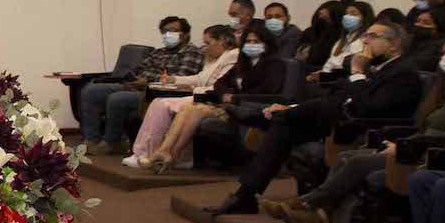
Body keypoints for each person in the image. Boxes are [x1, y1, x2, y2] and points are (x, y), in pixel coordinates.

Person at [262, 33, 445, 223]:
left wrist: (404, 147)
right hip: (416, 148)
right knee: (348, 156)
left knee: (356, 161)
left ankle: (305, 205)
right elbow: (425, 129)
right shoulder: (444, 91)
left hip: (434, 156)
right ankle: (315, 214)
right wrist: (401, 144)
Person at [210, 19, 424, 215]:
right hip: (338, 117)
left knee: (283, 121)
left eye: (372, 36)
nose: (365, 41)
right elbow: (336, 97)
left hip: (363, 128)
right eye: (365, 36)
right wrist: (292, 107)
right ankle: (245, 195)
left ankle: (263, 120)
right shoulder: (375, 66)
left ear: (394, 44)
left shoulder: (404, 73)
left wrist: (358, 73)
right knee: (285, 122)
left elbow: (369, 108)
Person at [142, 25, 290, 172]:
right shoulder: (242, 63)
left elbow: (269, 90)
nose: (251, 45)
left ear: (266, 43)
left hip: (249, 109)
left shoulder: (274, 64)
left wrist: (235, 97)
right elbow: (220, 83)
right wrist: (225, 95)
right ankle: (165, 152)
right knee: (188, 107)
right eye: (248, 42)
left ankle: (168, 156)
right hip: (230, 105)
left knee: (196, 108)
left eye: (256, 42)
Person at [79, 17, 202, 152]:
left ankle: (114, 141)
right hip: (139, 86)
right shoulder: (159, 52)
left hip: (160, 93)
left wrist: (148, 79)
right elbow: (140, 70)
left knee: (117, 98)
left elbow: (180, 77)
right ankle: (91, 139)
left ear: (185, 34)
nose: (167, 35)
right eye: (164, 31)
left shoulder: (191, 52)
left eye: (172, 31)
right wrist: (145, 79)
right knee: (90, 91)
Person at [124, 25, 237, 168]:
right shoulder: (214, 58)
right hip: (203, 94)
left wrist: (194, 89)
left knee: (163, 104)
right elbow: (200, 78)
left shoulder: (232, 55)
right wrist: (174, 79)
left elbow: (219, 86)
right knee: (158, 102)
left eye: (208, 43)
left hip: (211, 98)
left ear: (222, 40)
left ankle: (149, 153)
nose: (205, 47)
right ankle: (142, 152)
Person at [315, 0, 375, 79]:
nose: (348, 17)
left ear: (365, 18)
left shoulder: (365, 40)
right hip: (330, 77)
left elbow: (348, 63)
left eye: (353, 14)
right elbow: (331, 61)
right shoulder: (343, 39)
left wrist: (323, 75)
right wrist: (323, 72)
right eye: (347, 13)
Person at [296, 0, 343, 71]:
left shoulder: (338, 34)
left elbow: (318, 58)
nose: (321, 21)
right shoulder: (309, 32)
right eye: (320, 16)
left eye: (326, 18)